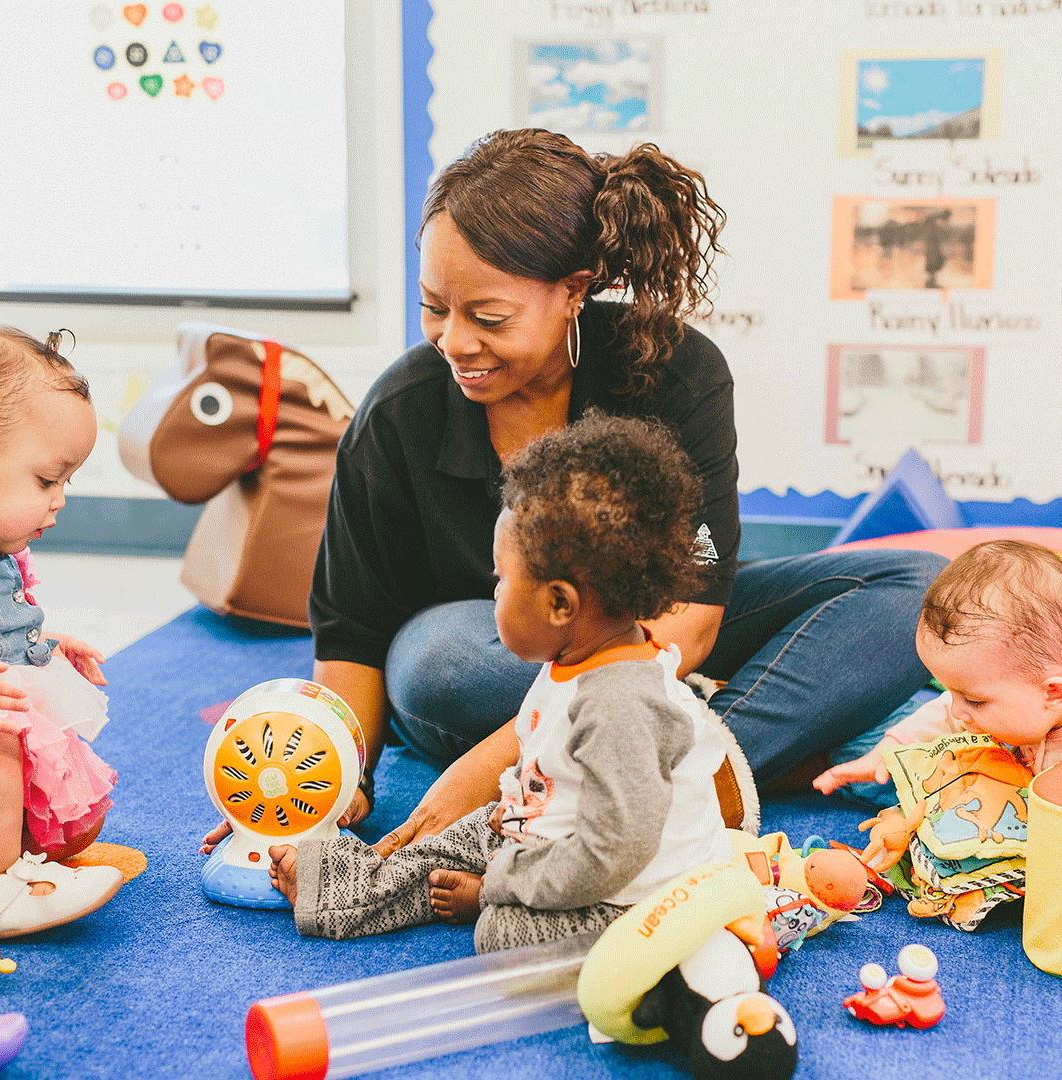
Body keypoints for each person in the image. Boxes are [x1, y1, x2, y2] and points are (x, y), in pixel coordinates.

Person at [202, 128, 944, 860]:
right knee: (434, 665)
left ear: (574, 292)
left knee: (920, 591)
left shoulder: (679, 372)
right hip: (495, 652)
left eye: (488, 318)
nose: (454, 342)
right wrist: (339, 773)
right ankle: (729, 747)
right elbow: (353, 634)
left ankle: (683, 768)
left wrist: (488, 768)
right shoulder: (401, 412)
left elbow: (690, 616)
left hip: (656, 639)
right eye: (435, 308)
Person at [267, 412, 736, 952]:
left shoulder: (621, 706)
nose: (493, 593)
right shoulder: (580, 658)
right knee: (463, 835)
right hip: (555, 833)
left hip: (631, 892)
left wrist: (499, 884)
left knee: (499, 933)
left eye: (501, 579)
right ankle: (346, 885)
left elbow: (612, 854)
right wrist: (504, 845)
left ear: (560, 604)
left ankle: (453, 899)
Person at [0, 327, 124, 938]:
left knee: (78, 819)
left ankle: (9, 853)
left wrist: (43, 647)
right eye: (46, 480)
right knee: (1, 733)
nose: (60, 500)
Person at [813, 540, 1062, 866]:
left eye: (973, 700)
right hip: (995, 783)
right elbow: (941, 712)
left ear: (1053, 693)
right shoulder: (1005, 698)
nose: (958, 709)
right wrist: (882, 756)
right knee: (876, 764)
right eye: (953, 691)